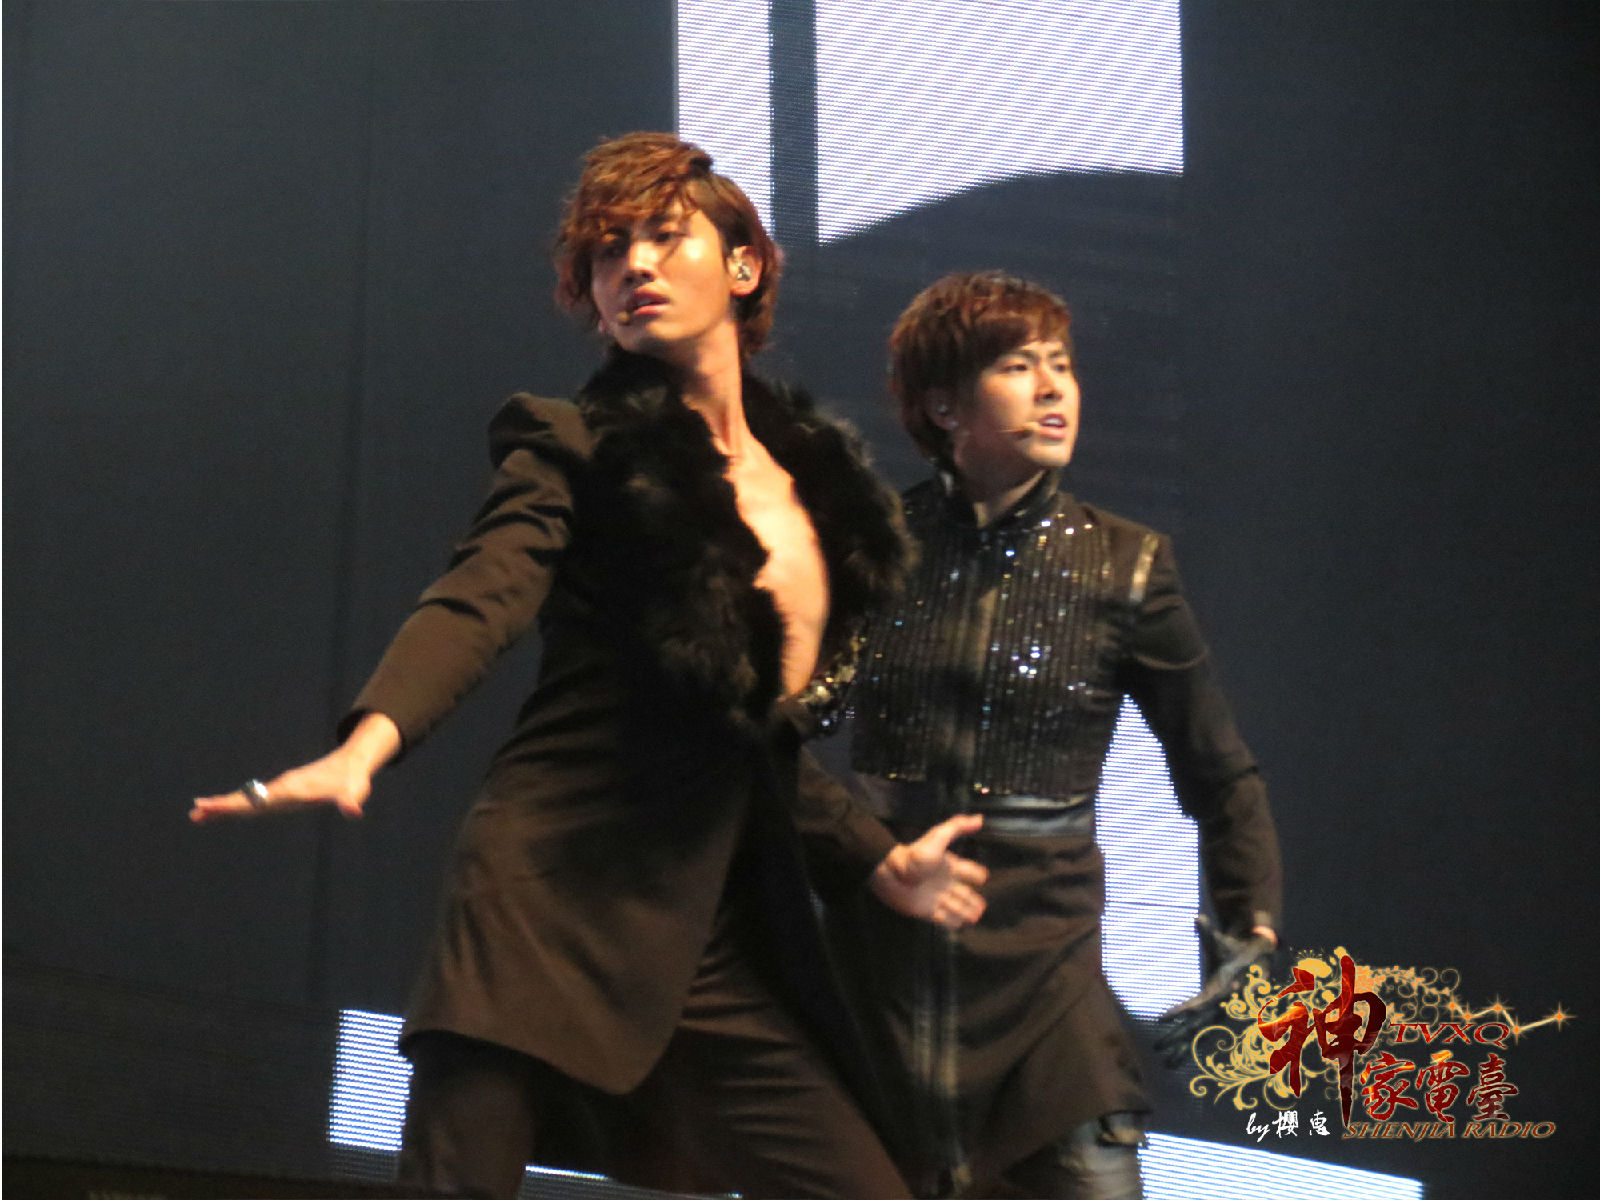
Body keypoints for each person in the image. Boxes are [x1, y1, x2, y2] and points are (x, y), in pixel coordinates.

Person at [191, 133, 989, 1200]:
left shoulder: (815, 485)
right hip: (542, 894)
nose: (635, 266)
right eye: (610, 252)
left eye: (664, 236)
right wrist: (366, 744)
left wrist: (875, 862)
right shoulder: (572, 443)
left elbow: (751, 738)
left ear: (743, 265)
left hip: (699, 932)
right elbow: (481, 594)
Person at [793, 272, 1283, 1199]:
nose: (1055, 387)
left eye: (1062, 364)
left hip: (1047, 991)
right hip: (878, 981)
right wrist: (861, 850)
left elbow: (1218, 772)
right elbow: (779, 737)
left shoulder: (1124, 565)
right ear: (945, 406)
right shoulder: (875, 549)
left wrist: (1248, 927)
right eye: (1020, 366)